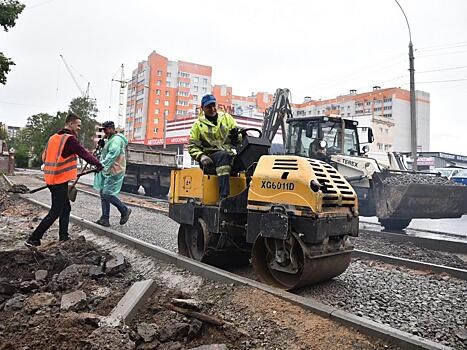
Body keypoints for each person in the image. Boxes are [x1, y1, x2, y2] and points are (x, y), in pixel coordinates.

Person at [25, 112, 103, 247]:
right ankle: (33, 238)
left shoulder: (53, 138)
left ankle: (64, 237)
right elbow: (83, 153)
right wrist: (98, 164)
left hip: (51, 179)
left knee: (65, 208)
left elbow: (44, 156)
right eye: (78, 125)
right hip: (59, 181)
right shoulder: (69, 139)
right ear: (70, 124)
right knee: (56, 210)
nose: (79, 128)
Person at [188, 94, 239, 200]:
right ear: (202, 108)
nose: (212, 109)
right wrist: (201, 156)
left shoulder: (227, 118)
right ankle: (224, 197)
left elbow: (239, 138)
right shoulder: (198, 125)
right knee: (223, 156)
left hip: (229, 154)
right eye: (208, 107)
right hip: (210, 159)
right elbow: (192, 146)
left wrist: (236, 136)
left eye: (213, 105)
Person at [93, 121, 131, 227]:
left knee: (107, 194)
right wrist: (103, 144)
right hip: (109, 170)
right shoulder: (110, 139)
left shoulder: (116, 140)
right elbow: (107, 152)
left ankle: (124, 210)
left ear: (111, 128)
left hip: (115, 170)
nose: (104, 132)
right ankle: (105, 218)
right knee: (103, 193)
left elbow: (113, 154)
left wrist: (101, 165)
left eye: (105, 129)